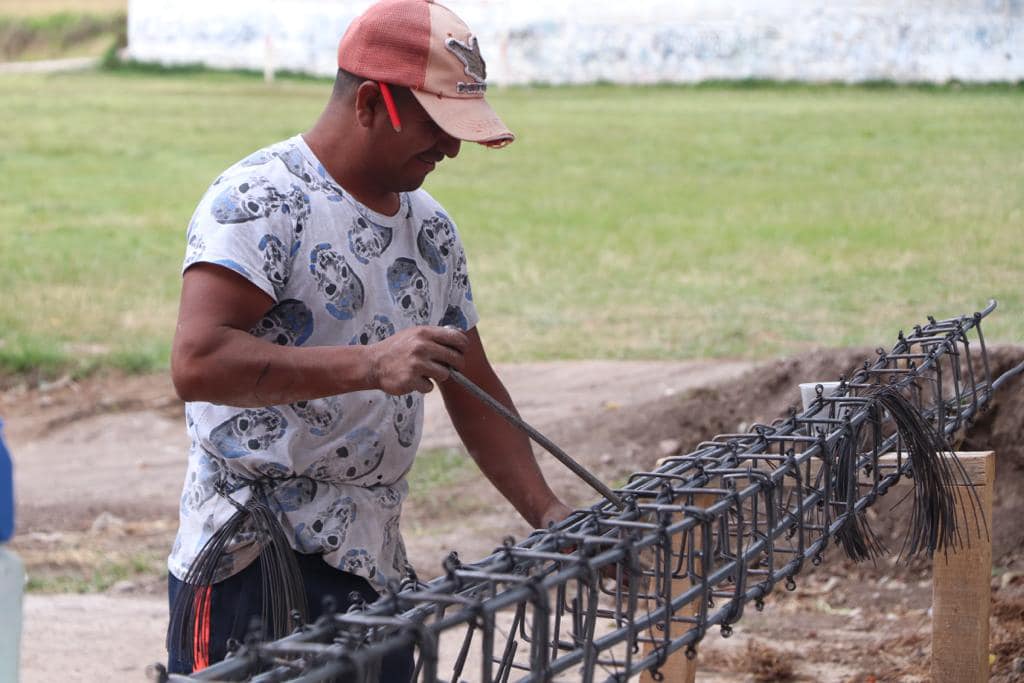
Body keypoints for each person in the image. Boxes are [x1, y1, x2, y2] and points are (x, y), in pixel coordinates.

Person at [165, 0, 571, 676]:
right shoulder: (260, 201)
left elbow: (472, 386)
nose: (451, 146)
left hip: (375, 569)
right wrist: (370, 364)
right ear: (370, 103)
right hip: (252, 564)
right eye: (436, 124)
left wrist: (548, 511)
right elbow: (198, 362)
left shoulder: (432, 230)